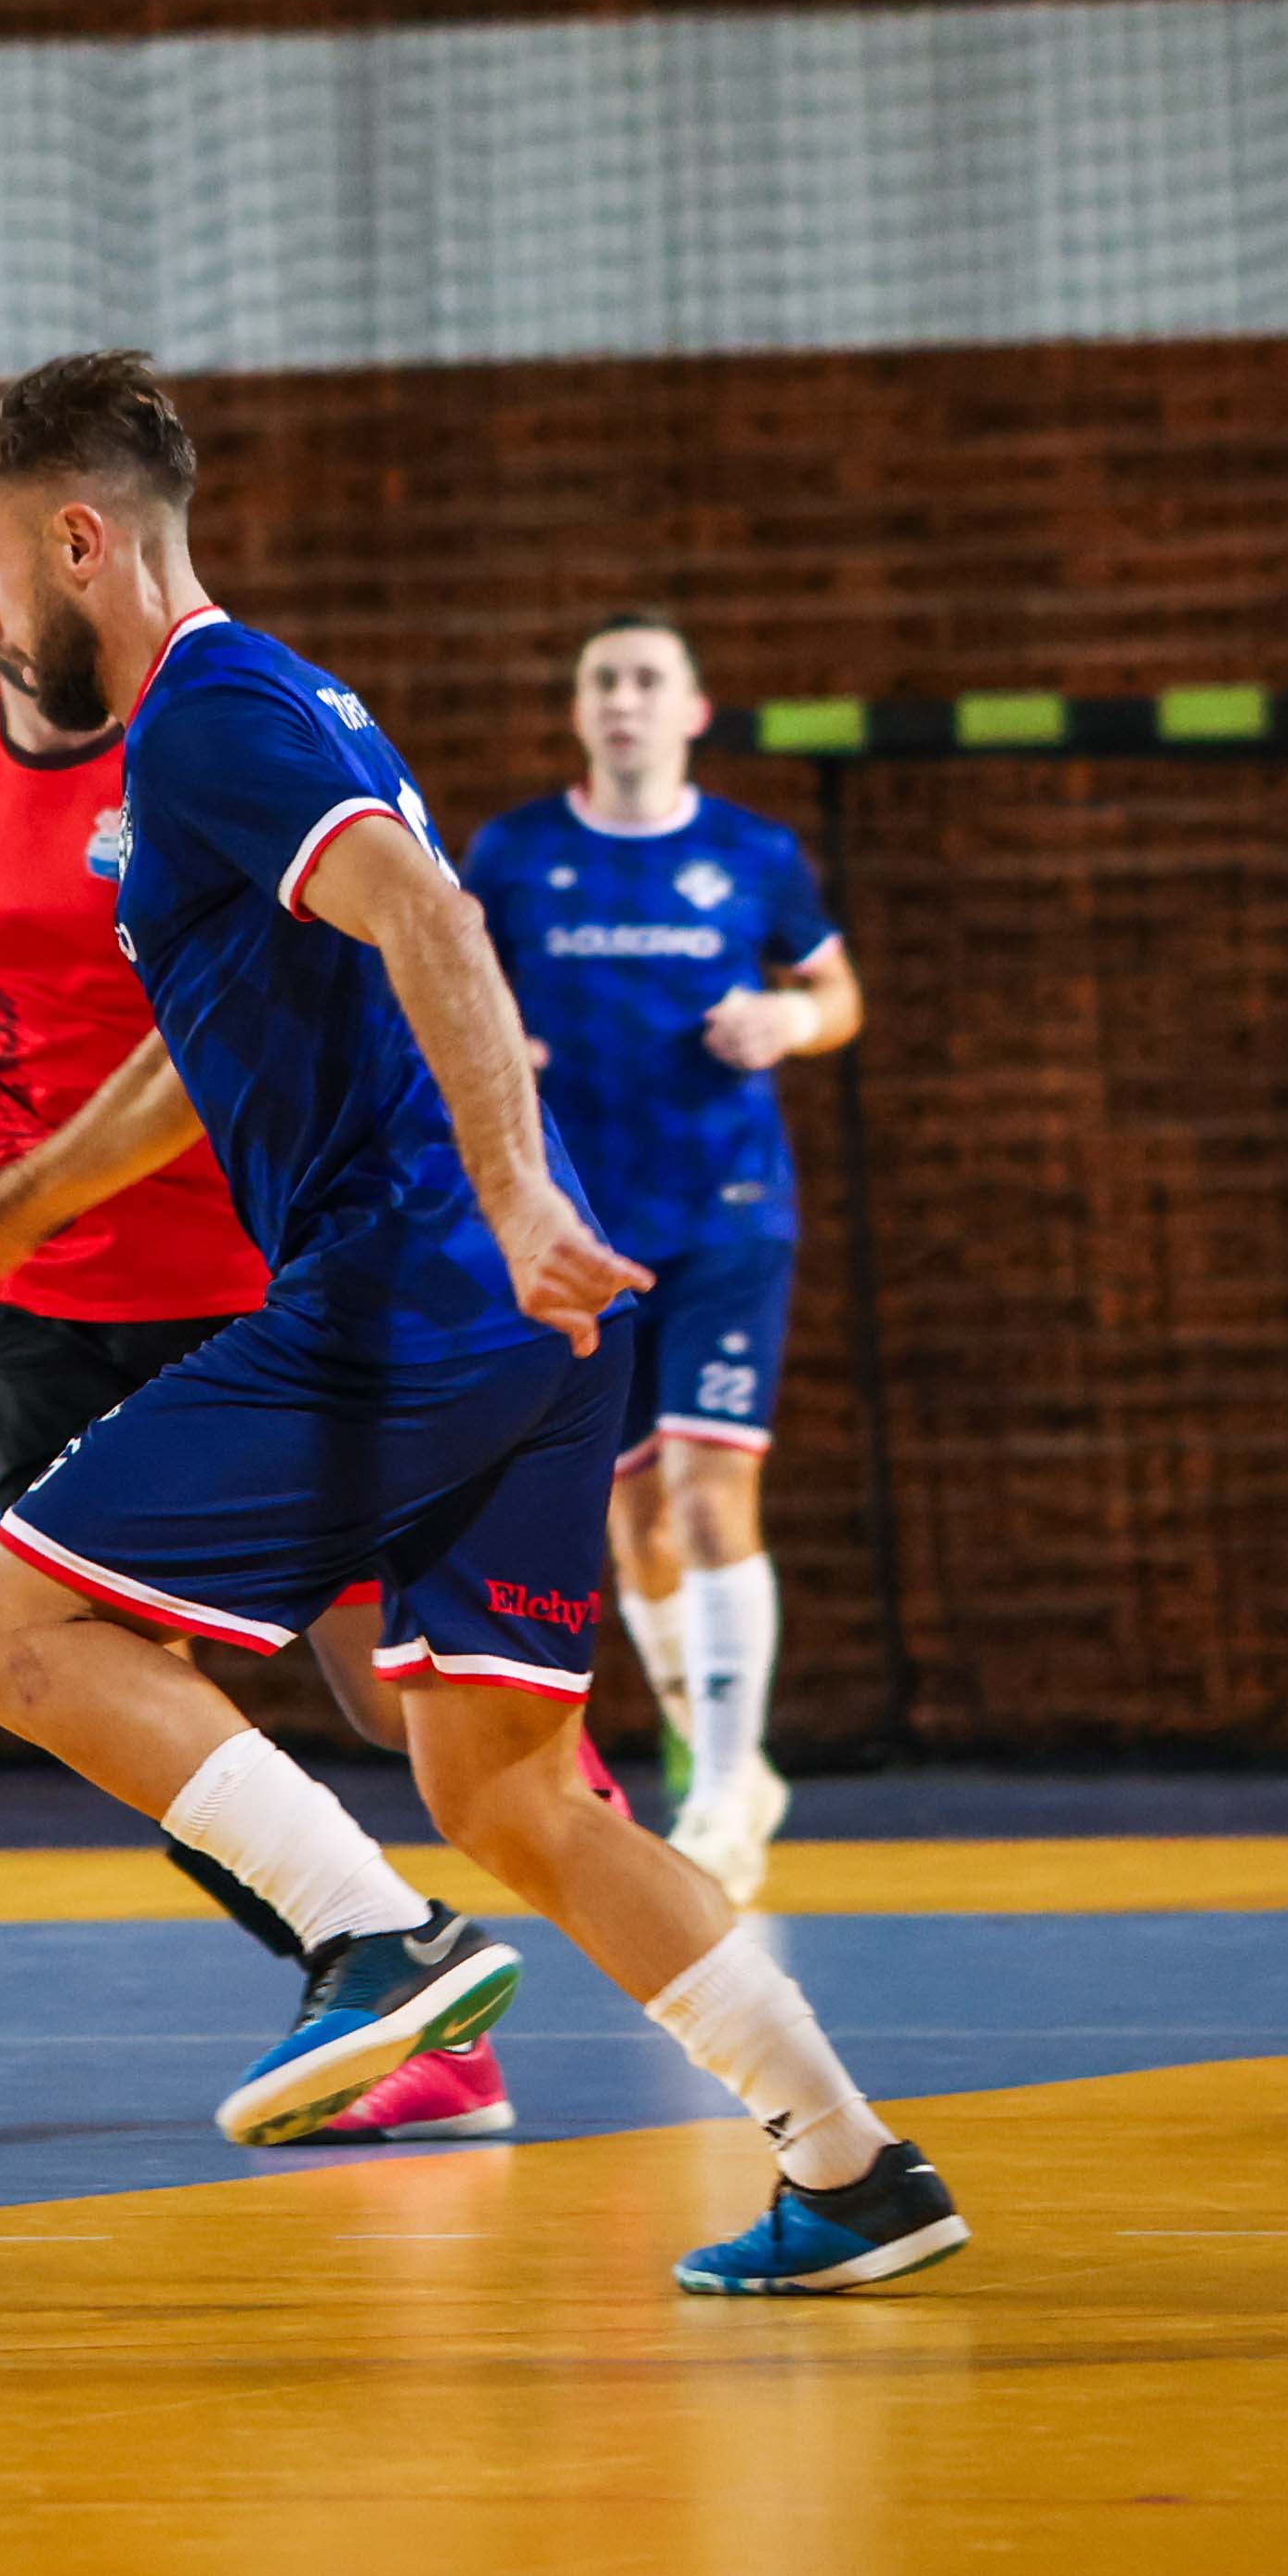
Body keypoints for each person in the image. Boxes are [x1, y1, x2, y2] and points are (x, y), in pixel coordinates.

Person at [0, 351, 966, 2295]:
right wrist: (11, 1210)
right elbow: (209, 1044)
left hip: (416, 1288)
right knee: (508, 1789)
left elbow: (432, 918)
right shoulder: (249, 716)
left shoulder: (208, 712)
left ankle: (367, 1941)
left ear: (77, 540)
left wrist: (514, 1196)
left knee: (1, 1627)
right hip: (521, 1322)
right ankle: (853, 2164)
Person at [0, 501, 519, 2143]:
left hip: (253, 1278)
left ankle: (598, 1908)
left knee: (397, 1689)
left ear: (69, 548)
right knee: (105, 1686)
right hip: (49, 1319)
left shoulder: (203, 745)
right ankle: (391, 1982)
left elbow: (355, 958)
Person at [458, 615, 861, 1899]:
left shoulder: (752, 852)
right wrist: (495, 1048)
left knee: (705, 1491)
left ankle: (725, 1794)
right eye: (604, 680)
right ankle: (725, 1757)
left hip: (728, 1211)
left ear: (690, 710)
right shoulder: (516, 854)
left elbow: (838, 994)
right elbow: (449, 990)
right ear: (580, 709)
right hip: (583, 1226)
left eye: (647, 680)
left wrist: (789, 1016)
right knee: (633, 1519)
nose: (624, 699)